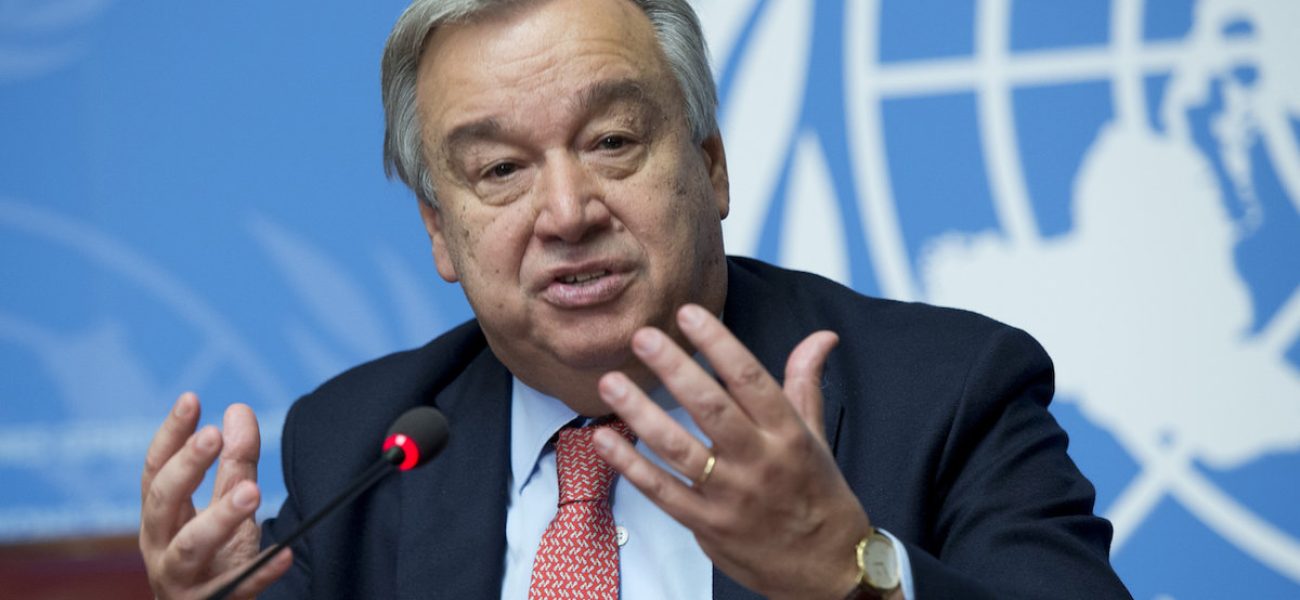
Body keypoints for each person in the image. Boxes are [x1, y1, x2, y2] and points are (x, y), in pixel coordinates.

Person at [138, 0, 1132, 598]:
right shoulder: (360, 445)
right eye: (498, 171)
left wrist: (850, 575)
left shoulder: (945, 394)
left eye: (613, 142)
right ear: (440, 232)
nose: (566, 212)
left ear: (710, 167)